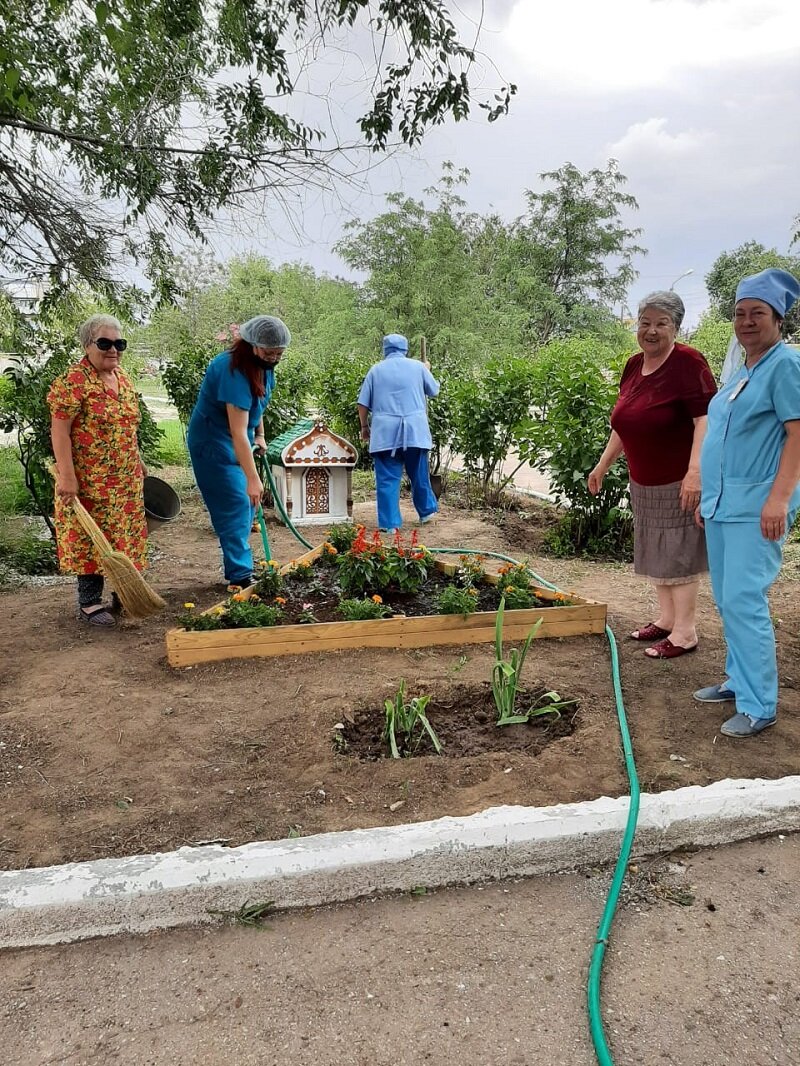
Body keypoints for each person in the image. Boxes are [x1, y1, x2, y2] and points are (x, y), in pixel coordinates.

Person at [694, 268, 800, 738]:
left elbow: (798, 434)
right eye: (739, 314)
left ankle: (760, 705)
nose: (746, 322)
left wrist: (779, 500)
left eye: (757, 313)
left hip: (758, 505)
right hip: (724, 504)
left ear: (778, 319)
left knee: (744, 599)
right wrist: (707, 494)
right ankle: (739, 682)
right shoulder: (744, 370)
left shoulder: (785, 365)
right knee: (727, 599)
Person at [588, 291, 717, 658]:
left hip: (678, 479)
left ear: (676, 327)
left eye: (662, 323)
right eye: (645, 322)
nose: (652, 330)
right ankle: (665, 619)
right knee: (656, 549)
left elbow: (704, 420)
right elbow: (625, 423)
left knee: (678, 553)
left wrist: (696, 473)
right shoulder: (633, 365)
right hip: (643, 479)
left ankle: (685, 632)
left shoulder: (689, 362)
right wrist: (603, 465)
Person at [49, 314, 148, 627]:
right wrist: (67, 476)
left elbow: (127, 425)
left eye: (119, 344)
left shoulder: (123, 378)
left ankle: (125, 595)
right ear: (88, 345)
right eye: (105, 343)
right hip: (90, 479)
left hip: (125, 477)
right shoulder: (73, 382)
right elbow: (60, 431)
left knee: (127, 536)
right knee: (92, 538)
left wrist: (138, 457)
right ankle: (90, 602)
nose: (113, 350)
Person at [187, 315, 290, 588]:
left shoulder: (263, 366)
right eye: (269, 352)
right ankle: (240, 576)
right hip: (214, 444)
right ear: (252, 344)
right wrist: (254, 480)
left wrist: (260, 434)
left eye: (279, 353)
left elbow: (258, 403)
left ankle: (240, 565)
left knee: (247, 505)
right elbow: (236, 430)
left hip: (241, 437)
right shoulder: (232, 370)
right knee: (235, 502)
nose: (274, 358)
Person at [357, 334, 440, 533]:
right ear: (405, 349)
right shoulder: (418, 367)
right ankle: (426, 511)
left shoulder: (375, 371)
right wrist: (426, 369)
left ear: (385, 349)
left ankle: (390, 524)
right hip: (415, 432)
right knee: (419, 474)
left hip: (385, 434)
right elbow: (434, 390)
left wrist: (364, 427)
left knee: (387, 479)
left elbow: (362, 403)